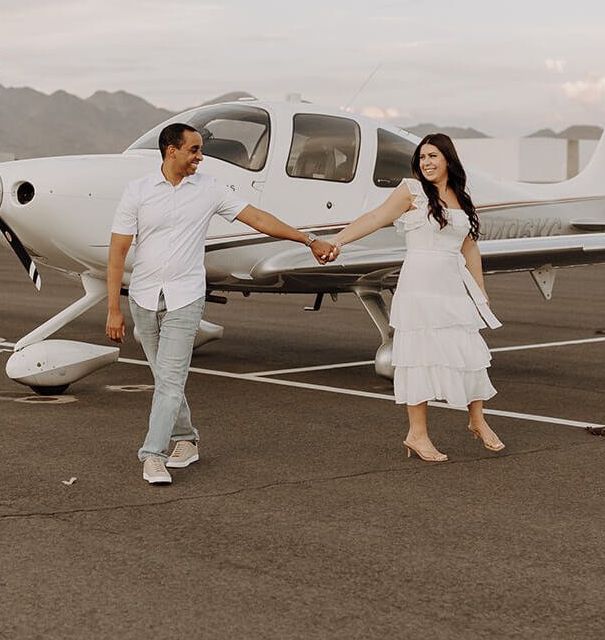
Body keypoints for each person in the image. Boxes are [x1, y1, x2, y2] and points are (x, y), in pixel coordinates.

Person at [106, 122, 336, 485]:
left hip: (186, 297)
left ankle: (152, 455)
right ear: (172, 151)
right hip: (144, 298)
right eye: (194, 150)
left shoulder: (209, 189)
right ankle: (187, 439)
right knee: (165, 378)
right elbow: (118, 250)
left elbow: (258, 219)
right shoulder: (137, 191)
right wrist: (113, 309)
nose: (200, 157)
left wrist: (308, 239)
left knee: (169, 380)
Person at [327, 133, 505, 462]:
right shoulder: (411, 191)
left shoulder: (460, 197)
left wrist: (481, 292)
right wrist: (337, 241)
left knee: (468, 350)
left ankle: (477, 419)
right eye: (422, 157)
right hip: (419, 285)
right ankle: (417, 434)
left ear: (448, 160)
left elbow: (469, 247)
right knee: (420, 357)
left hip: (453, 285)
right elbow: (375, 217)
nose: (426, 163)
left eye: (433, 156)